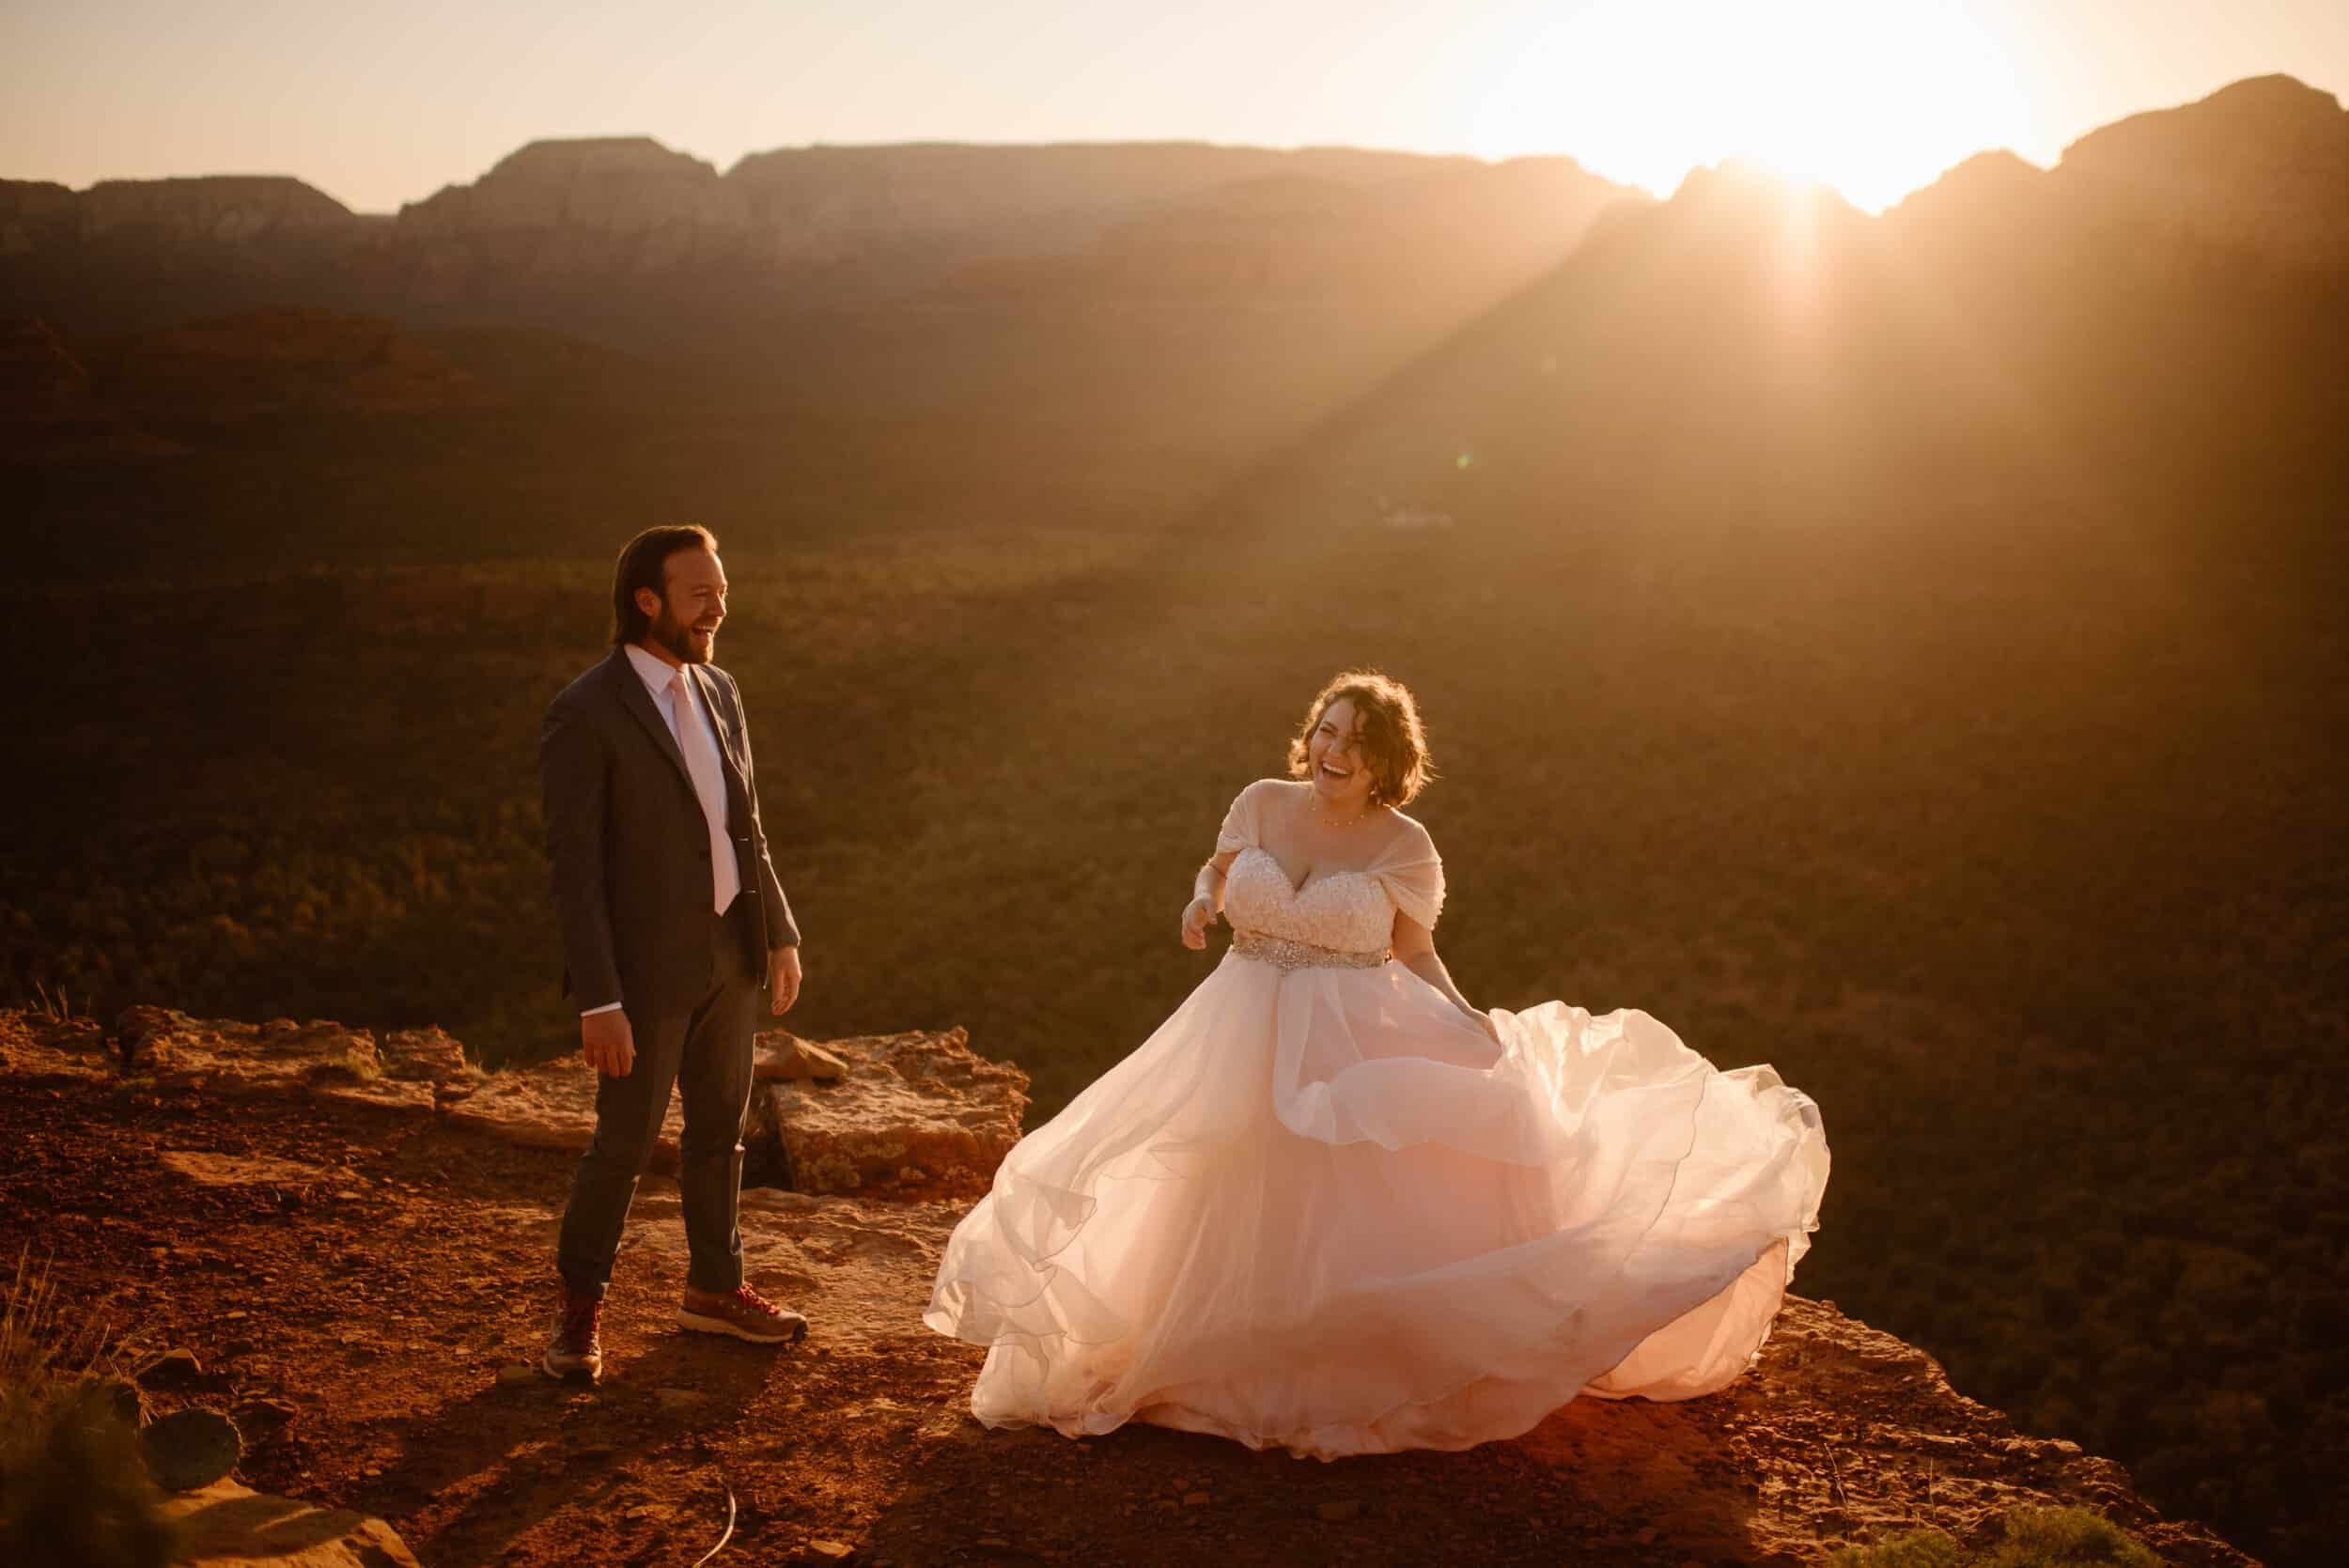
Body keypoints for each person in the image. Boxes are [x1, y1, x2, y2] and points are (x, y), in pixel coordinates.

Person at [925, 670, 1828, 1457]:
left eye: (1356, 740)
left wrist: (1467, 1017)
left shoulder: (1407, 846)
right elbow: (1216, 866)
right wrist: (1200, 906)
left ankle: (1302, 1366)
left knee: (1326, 1195)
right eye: (1326, 730)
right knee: (1212, 1171)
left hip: (1348, 1033)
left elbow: (1417, 952)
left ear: (1386, 758)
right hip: (1234, 1018)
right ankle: (1196, 1342)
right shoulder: (1262, 801)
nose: (1334, 750)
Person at [538, 524, 810, 1383]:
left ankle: (714, 1289)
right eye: (701, 593)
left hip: (731, 959)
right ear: (647, 600)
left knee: (720, 1133)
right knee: (620, 1148)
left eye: (721, 590)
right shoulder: (585, 711)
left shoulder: (722, 689)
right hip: (642, 982)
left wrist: (780, 932)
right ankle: (578, 1316)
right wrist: (598, 999)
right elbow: (575, 872)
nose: (719, 607)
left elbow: (746, 825)